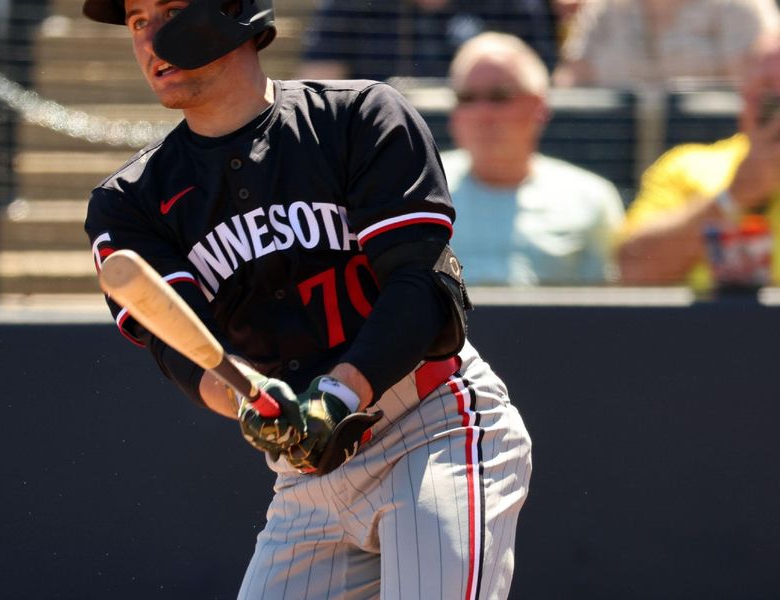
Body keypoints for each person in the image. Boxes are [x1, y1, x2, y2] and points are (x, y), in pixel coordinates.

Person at [81, 0, 532, 598]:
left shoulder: (358, 116)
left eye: (167, 11)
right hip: (305, 477)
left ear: (230, 13)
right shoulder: (131, 202)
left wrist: (339, 393)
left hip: (432, 428)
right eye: (137, 21)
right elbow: (184, 349)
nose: (149, 40)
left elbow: (421, 290)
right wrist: (245, 400)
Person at [441, 32, 625, 286]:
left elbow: (608, 312)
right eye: (467, 98)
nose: (482, 113)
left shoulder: (591, 199)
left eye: (499, 96)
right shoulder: (415, 191)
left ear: (538, 107)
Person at [616, 37, 780, 291]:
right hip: (699, 329)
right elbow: (632, 269)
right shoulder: (686, 165)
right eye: (768, 90)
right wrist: (733, 196)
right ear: (745, 94)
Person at [296, 0, 561, 81]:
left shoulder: (514, 6)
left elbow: (539, 88)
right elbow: (320, 92)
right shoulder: (348, 6)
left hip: (489, 154)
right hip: (375, 152)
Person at [552, 0, 780, 89]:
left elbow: (764, 92)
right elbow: (569, 85)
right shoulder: (605, 9)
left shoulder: (740, 8)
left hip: (714, 171)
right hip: (611, 164)